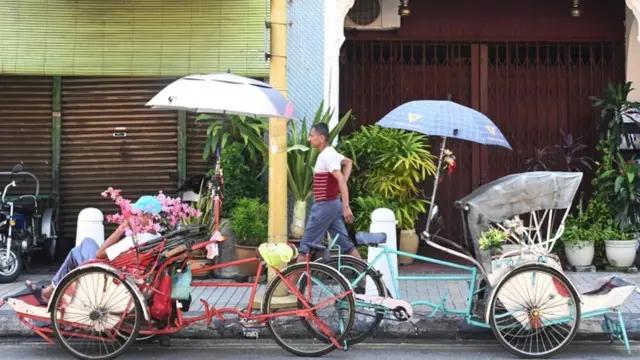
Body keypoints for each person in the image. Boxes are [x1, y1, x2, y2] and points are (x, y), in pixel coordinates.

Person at [22, 195, 163, 306]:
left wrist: (121, 228)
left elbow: (100, 254)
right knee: (77, 251)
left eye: (136, 213)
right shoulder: (157, 236)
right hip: (125, 270)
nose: (133, 216)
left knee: (82, 246)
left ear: (147, 216)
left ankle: (48, 292)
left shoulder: (137, 239)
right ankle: (50, 292)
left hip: (109, 275)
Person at [296, 123, 361, 263]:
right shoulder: (332, 153)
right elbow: (348, 163)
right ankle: (366, 280)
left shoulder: (327, 155)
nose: (309, 139)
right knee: (346, 245)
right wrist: (341, 183)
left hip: (325, 206)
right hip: (332, 205)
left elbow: (341, 180)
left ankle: (291, 284)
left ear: (321, 138)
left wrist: (346, 206)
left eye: (312, 136)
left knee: (305, 245)